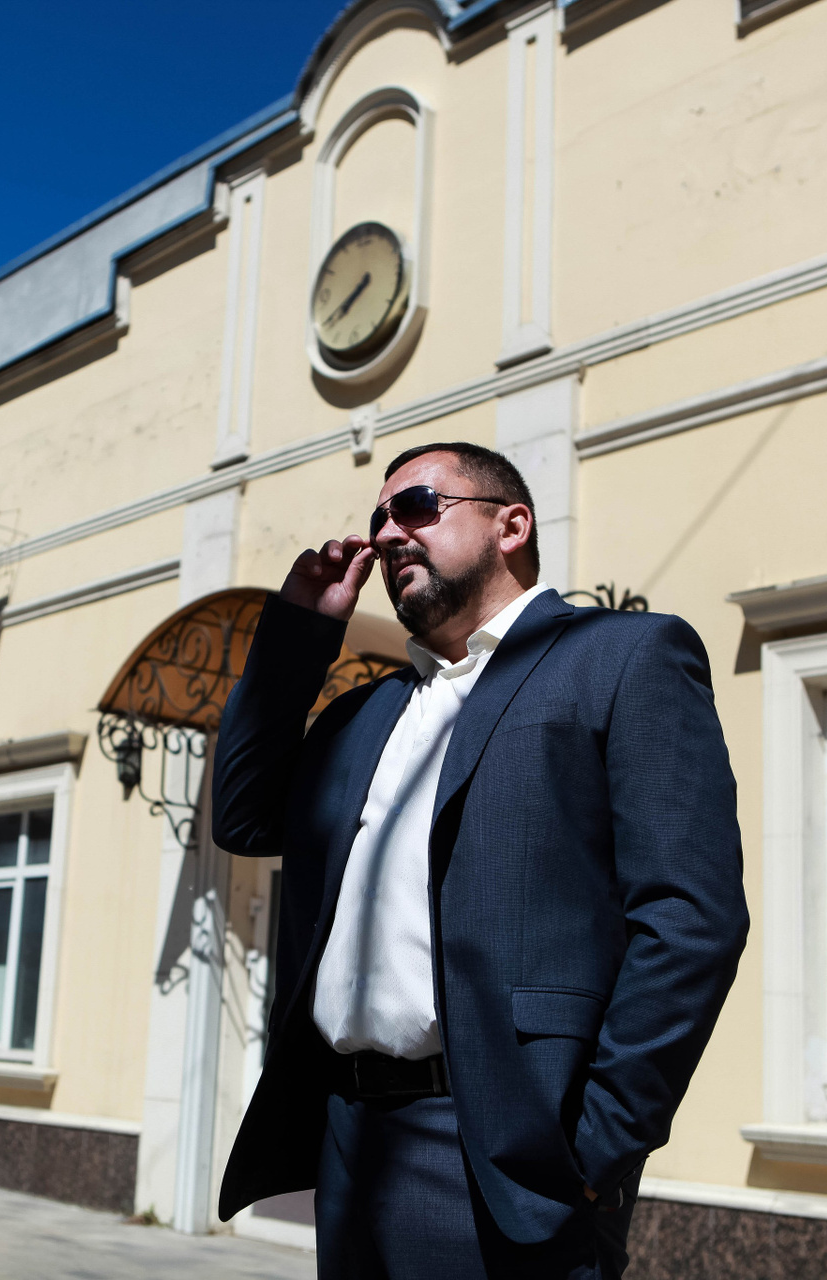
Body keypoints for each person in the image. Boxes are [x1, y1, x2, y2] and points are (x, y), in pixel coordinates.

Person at [211, 442, 748, 1279]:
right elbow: (244, 816)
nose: (388, 533)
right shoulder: (363, 715)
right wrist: (299, 634)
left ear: (512, 525)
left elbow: (690, 919)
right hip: (352, 1141)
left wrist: (597, 1143)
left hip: (507, 1152)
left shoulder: (622, 657)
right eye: (378, 519)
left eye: (417, 506)